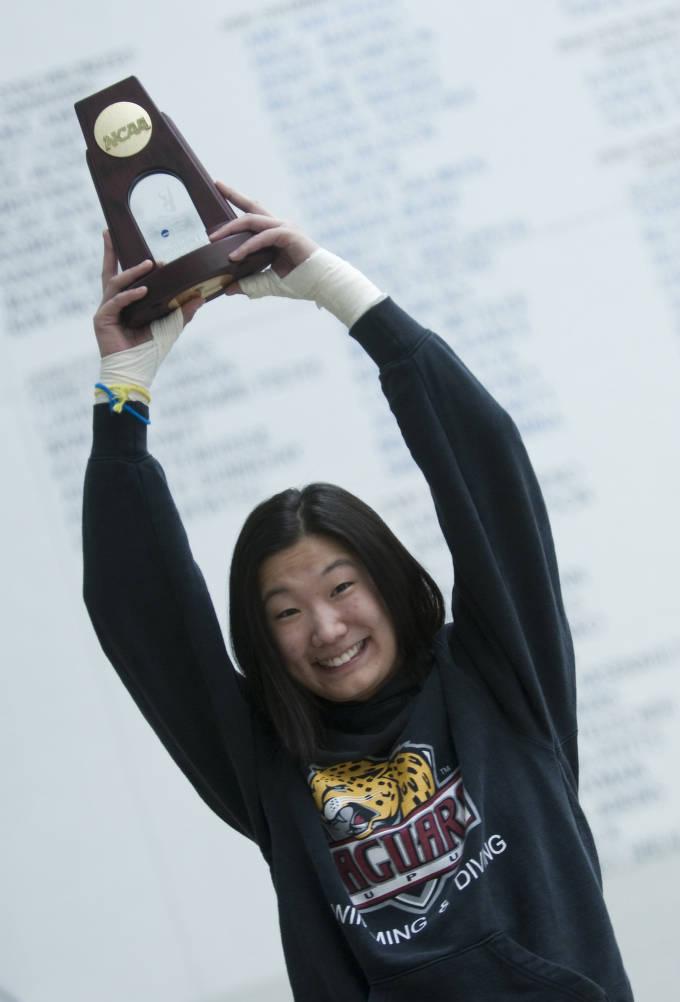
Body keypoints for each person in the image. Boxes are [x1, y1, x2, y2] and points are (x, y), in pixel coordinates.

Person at [83, 184, 635, 1002]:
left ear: (389, 585)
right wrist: (124, 384)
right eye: (286, 613)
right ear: (263, 640)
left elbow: (490, 473)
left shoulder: (498, 679)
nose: (327, 626)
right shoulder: (266, 761)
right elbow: (140, 610)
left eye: (343, 587)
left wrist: (338, 291)